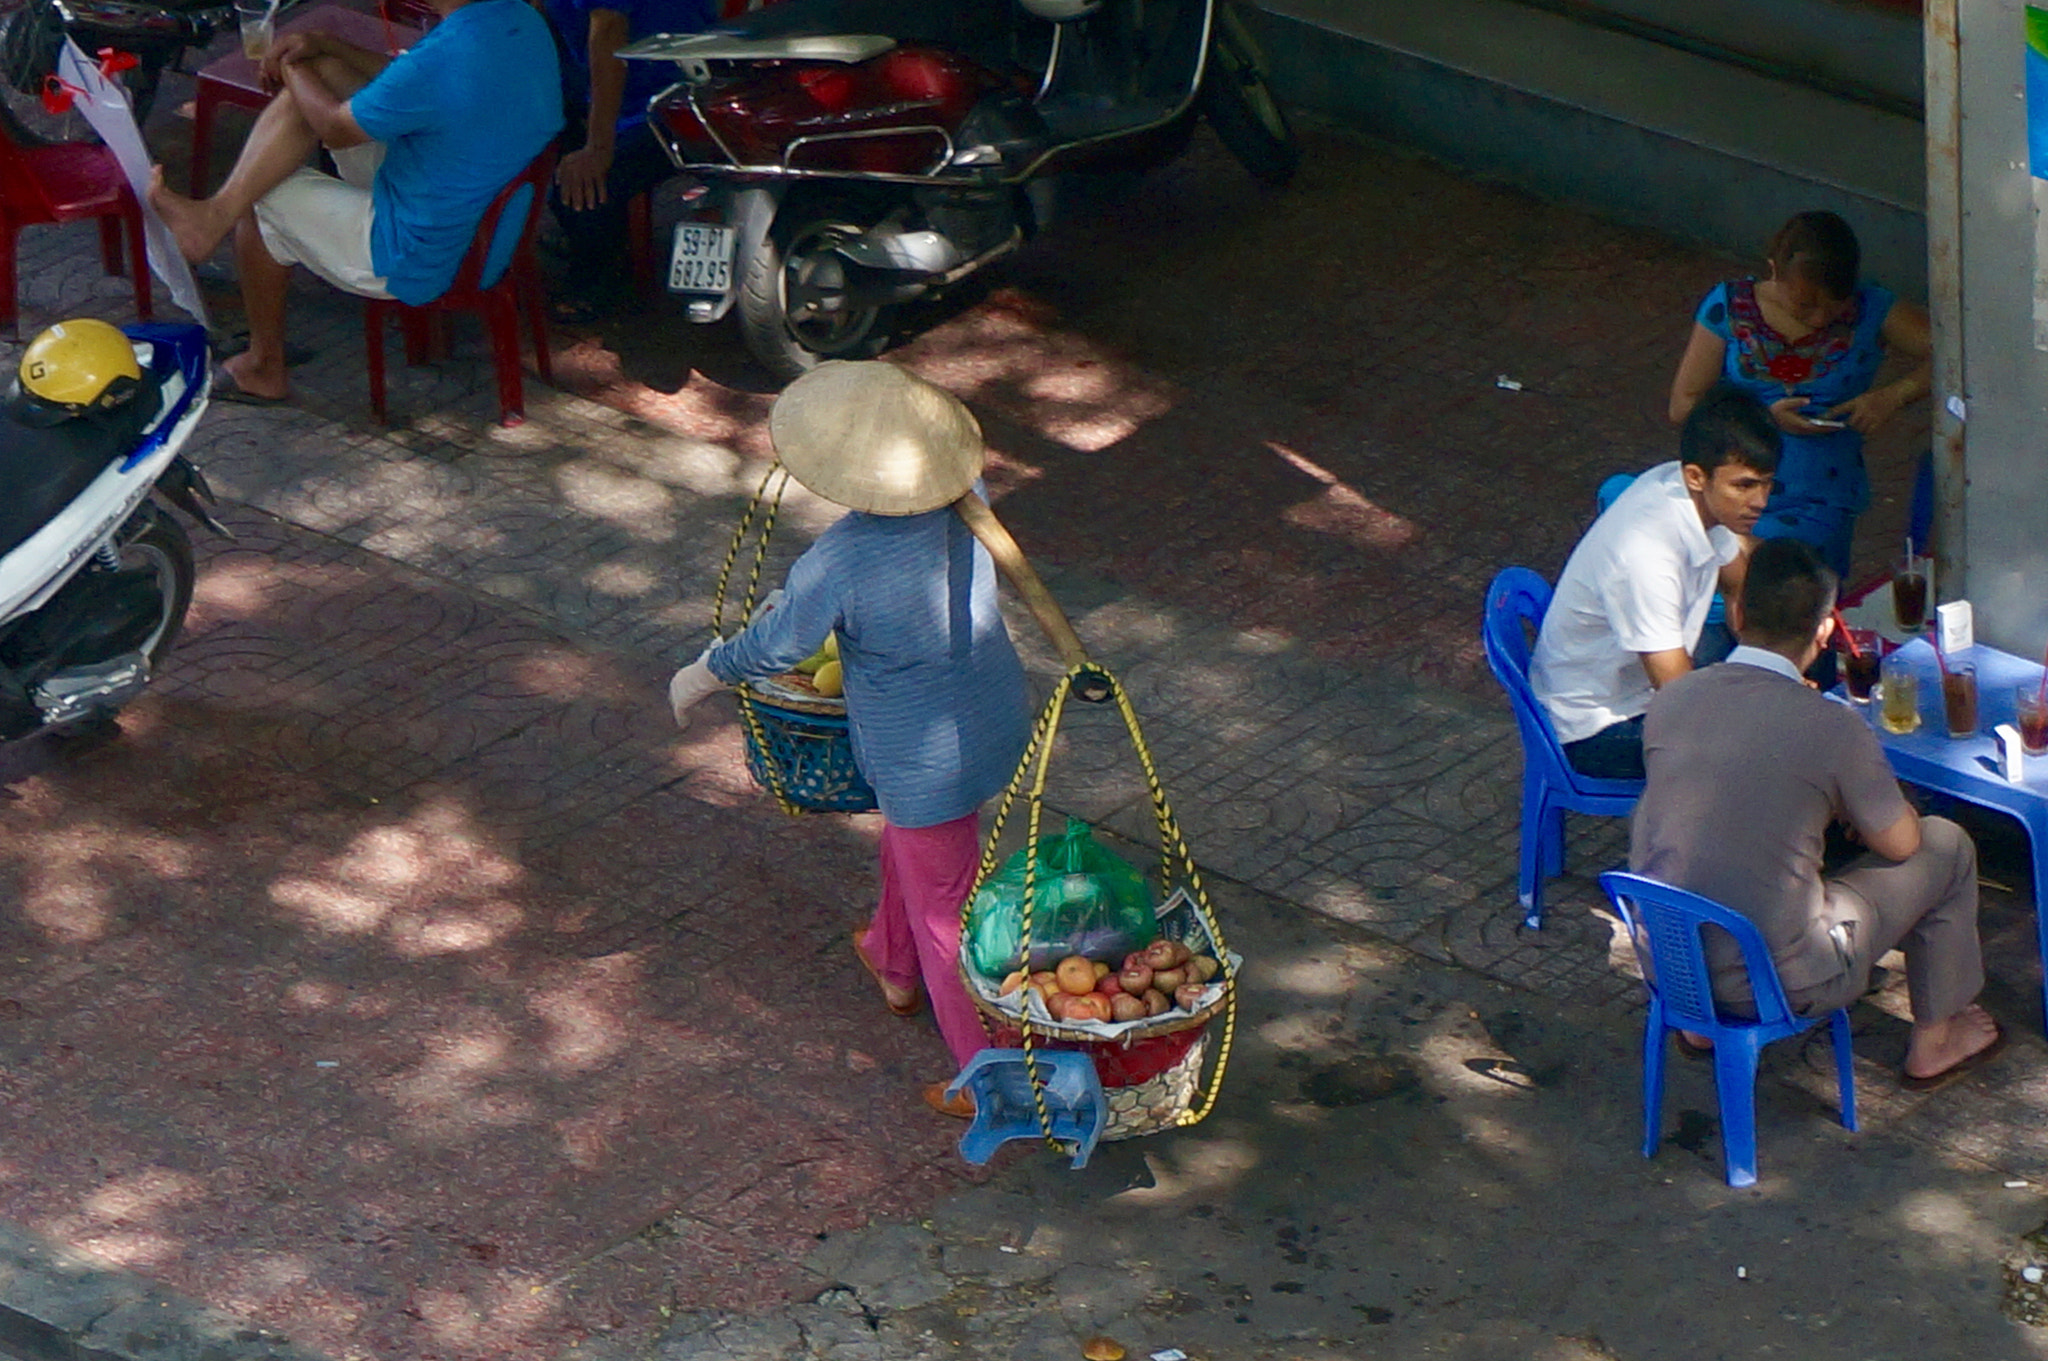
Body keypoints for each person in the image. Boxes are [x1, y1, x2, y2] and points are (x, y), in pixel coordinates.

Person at [665, 361, 1033, 1118]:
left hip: (924, 754)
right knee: (921, 854)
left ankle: (990, 1076)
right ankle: (892, 963)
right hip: (990, 713)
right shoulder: (969, 496)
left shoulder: (841, 558)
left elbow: (776, 646)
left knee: (948, 911)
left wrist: (710, 669)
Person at [1630, 538, 2002, 1088]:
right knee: (1946, 845)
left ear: (1736, 613)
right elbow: (1901, 844)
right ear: (1825, 630)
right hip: (1778, 980)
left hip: (1668, 961)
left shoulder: (1673, 698)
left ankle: (1700, 1028)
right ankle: (1935, 1042)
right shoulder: (1832, 726)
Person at [147, 0, 562, 404]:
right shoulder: (518, 17)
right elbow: (410, 80)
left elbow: (335, 129)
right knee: (325, 75)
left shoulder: (448, 53)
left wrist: (292, 66)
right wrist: (326, 46)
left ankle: (263, 366)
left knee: (261, 200)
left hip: (419, 252)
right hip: (487, 215)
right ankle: (215, 217)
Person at [1529, 385, 1777, 781]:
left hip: (1643, 683)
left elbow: (1739, 584)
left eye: (1767, 484)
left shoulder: (1691, 493)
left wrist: (1773, 662)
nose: (1760, 502)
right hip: (1596, 726)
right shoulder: (1647, 557)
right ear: (1697, 476)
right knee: (1761, 753)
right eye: (1744, 486)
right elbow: (1681, 698)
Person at [1668, 210, 1933, 576]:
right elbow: (1683, 406)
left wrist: (1893, 395)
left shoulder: (1873, 309)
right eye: (1805, 305)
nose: (1821, 319)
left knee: (1789, 587)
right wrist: (1763, 418)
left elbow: (1960, 356)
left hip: (1821, 498)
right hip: (1733, 494)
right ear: (1774, 270)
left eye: (1835, 304)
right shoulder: (1729, 308)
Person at [545, 0, 715, 322]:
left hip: (672, 100)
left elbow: (609, 32)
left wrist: (598, 147)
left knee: (585, 190)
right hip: (596, 92)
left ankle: (599, 279)